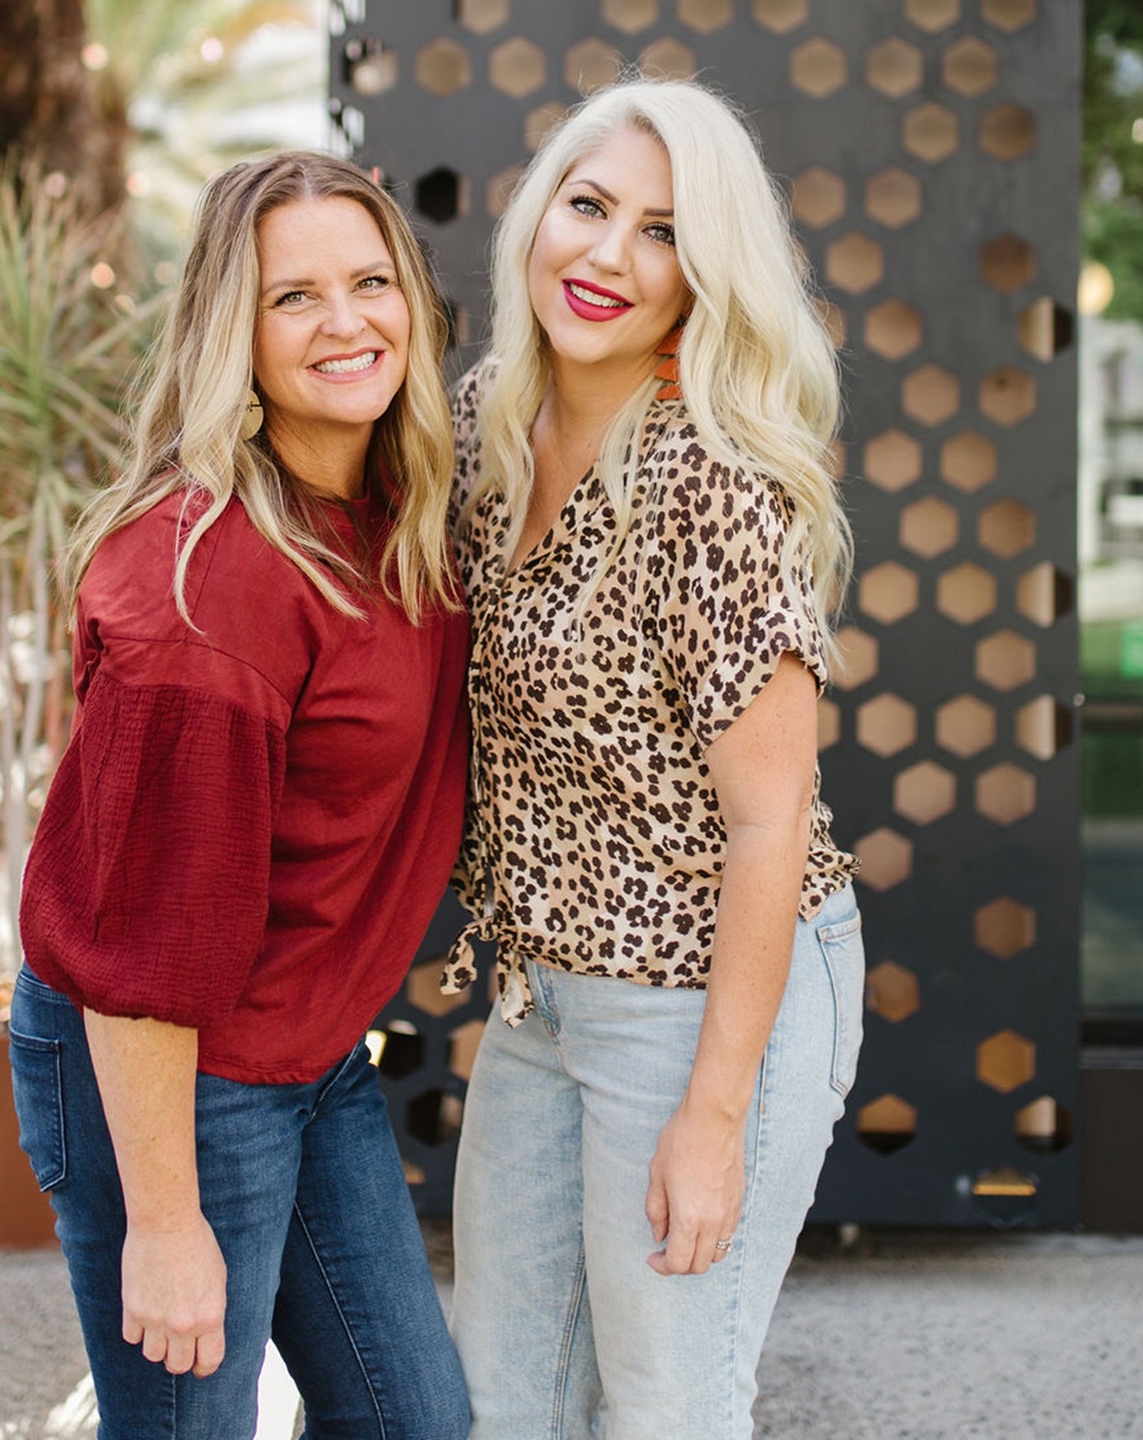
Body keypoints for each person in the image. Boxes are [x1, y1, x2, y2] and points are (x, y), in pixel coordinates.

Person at [9, 152, 471, 1440]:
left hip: (302, 1048)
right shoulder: (207, 597)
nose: (346, 322)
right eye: (293, 297)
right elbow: (141, 952)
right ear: (234, 333)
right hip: (162, 1068)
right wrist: (164, 1223)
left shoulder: (399, 505)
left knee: (412, 1421)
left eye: (371, 282)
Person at [441, 77, 865, 1439]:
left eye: (663, 231)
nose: (609, 255)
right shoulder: (484, 426)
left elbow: (770, 822)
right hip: (543, 1001)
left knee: (670, 1407)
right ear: (536, 216)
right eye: (589, 206)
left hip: (707, 997)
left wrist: (713, 1117)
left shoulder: (711, 481)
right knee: (498, 1403)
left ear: (702, 274)